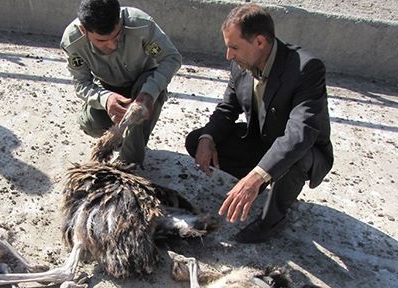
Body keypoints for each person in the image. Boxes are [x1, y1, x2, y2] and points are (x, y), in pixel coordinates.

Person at [185, 4, 333, 244]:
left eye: (234, 47)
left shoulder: (306, 68)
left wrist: (257, 176)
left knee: (294, 158)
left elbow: (299, 134)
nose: (228, 56)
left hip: (303, 152)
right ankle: (264, 181)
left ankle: (271, 220)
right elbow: (227, 108)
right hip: (261, 140)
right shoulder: (241, 63)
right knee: (196, 139)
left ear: (260, 42)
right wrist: (207, 139)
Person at [60, 0, 182, 165]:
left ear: (119, 20)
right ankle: (120, 136)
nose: (112, 44)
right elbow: (81, 84)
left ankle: (129, 162)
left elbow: (171, 58)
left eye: (116, 36)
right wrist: (106, 99)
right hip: (108, 87)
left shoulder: (141, 26)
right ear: (83, 30)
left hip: (143, 83)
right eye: (101, 41)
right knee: (90, 123)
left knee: (140, 112)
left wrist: (149, 92)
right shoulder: (73, 42)